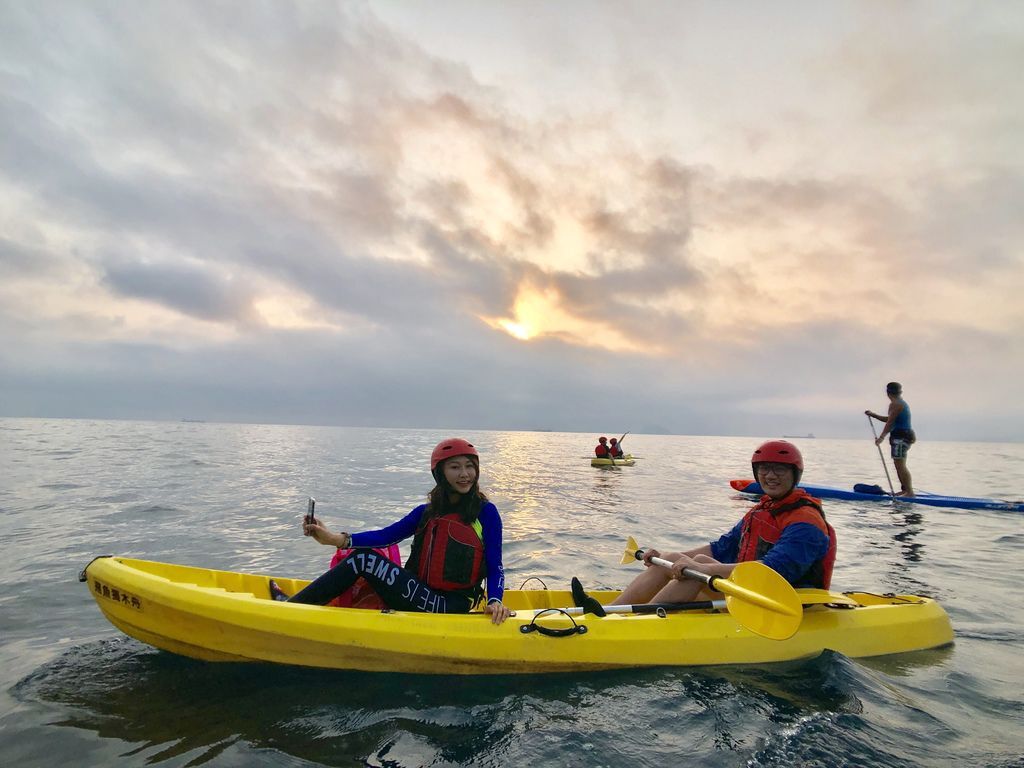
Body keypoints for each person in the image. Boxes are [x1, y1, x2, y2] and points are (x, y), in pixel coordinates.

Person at [270, 438, 511, 625]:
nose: (464, 474)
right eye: (455, 467)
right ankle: (297, 606)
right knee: (366, 557)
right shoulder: (426, 512)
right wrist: (335, 539)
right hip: (418, 592)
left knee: (365, 559)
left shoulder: (486, 513)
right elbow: (386, 536)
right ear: (440, 473)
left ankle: (291, 608)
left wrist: (494, 600)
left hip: (450, 605)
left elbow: (495, 564)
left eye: (470, 466)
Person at [609, 440, 836, 606]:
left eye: (779, 469)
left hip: (782, 600)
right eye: (764, 469)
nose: (770, 475)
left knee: (696, 566)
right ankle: (610, 612)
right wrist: (667, 558)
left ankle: (640, 621)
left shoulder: (806, 521)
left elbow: (775, 569)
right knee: (674, 559)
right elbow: (720, 548)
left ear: (795, 474)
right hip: (750, 591)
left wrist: (703, 568)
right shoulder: (762, 511)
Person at [865, 381, 915, 497]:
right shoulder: (899, 403)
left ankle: (910, 492)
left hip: (901, 437)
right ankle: (905, 490)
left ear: (888, 393)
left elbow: (890, 423)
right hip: (902, 436)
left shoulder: (896, 404)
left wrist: (881, 437)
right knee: (898, 464)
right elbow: (890, 419)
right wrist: (873, 415)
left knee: (900, 464)